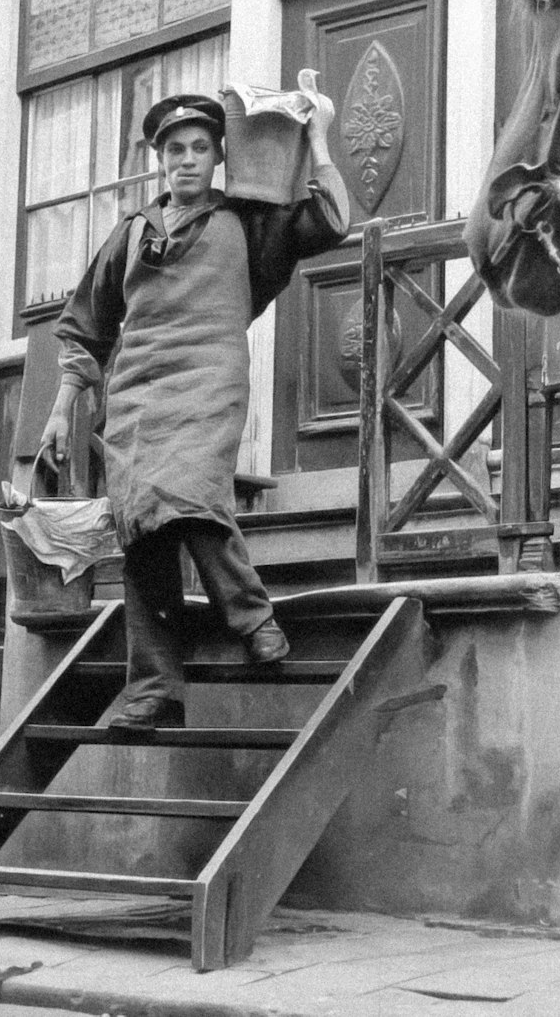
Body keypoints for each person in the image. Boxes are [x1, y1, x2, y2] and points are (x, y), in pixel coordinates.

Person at [40, 80, 350, 729]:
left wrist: (317, 138)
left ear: (218, 156)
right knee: (141, 523)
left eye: (199, 147)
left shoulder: (247, 220)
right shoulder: (132, 232)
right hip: (136, 393)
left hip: (209, 376)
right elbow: (87, 323)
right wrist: (62, 408)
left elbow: (327, 220)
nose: (186, 159)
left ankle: (253, 617)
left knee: (190, 494)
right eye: (174, 148)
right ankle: (154, 688)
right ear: (160, 157)